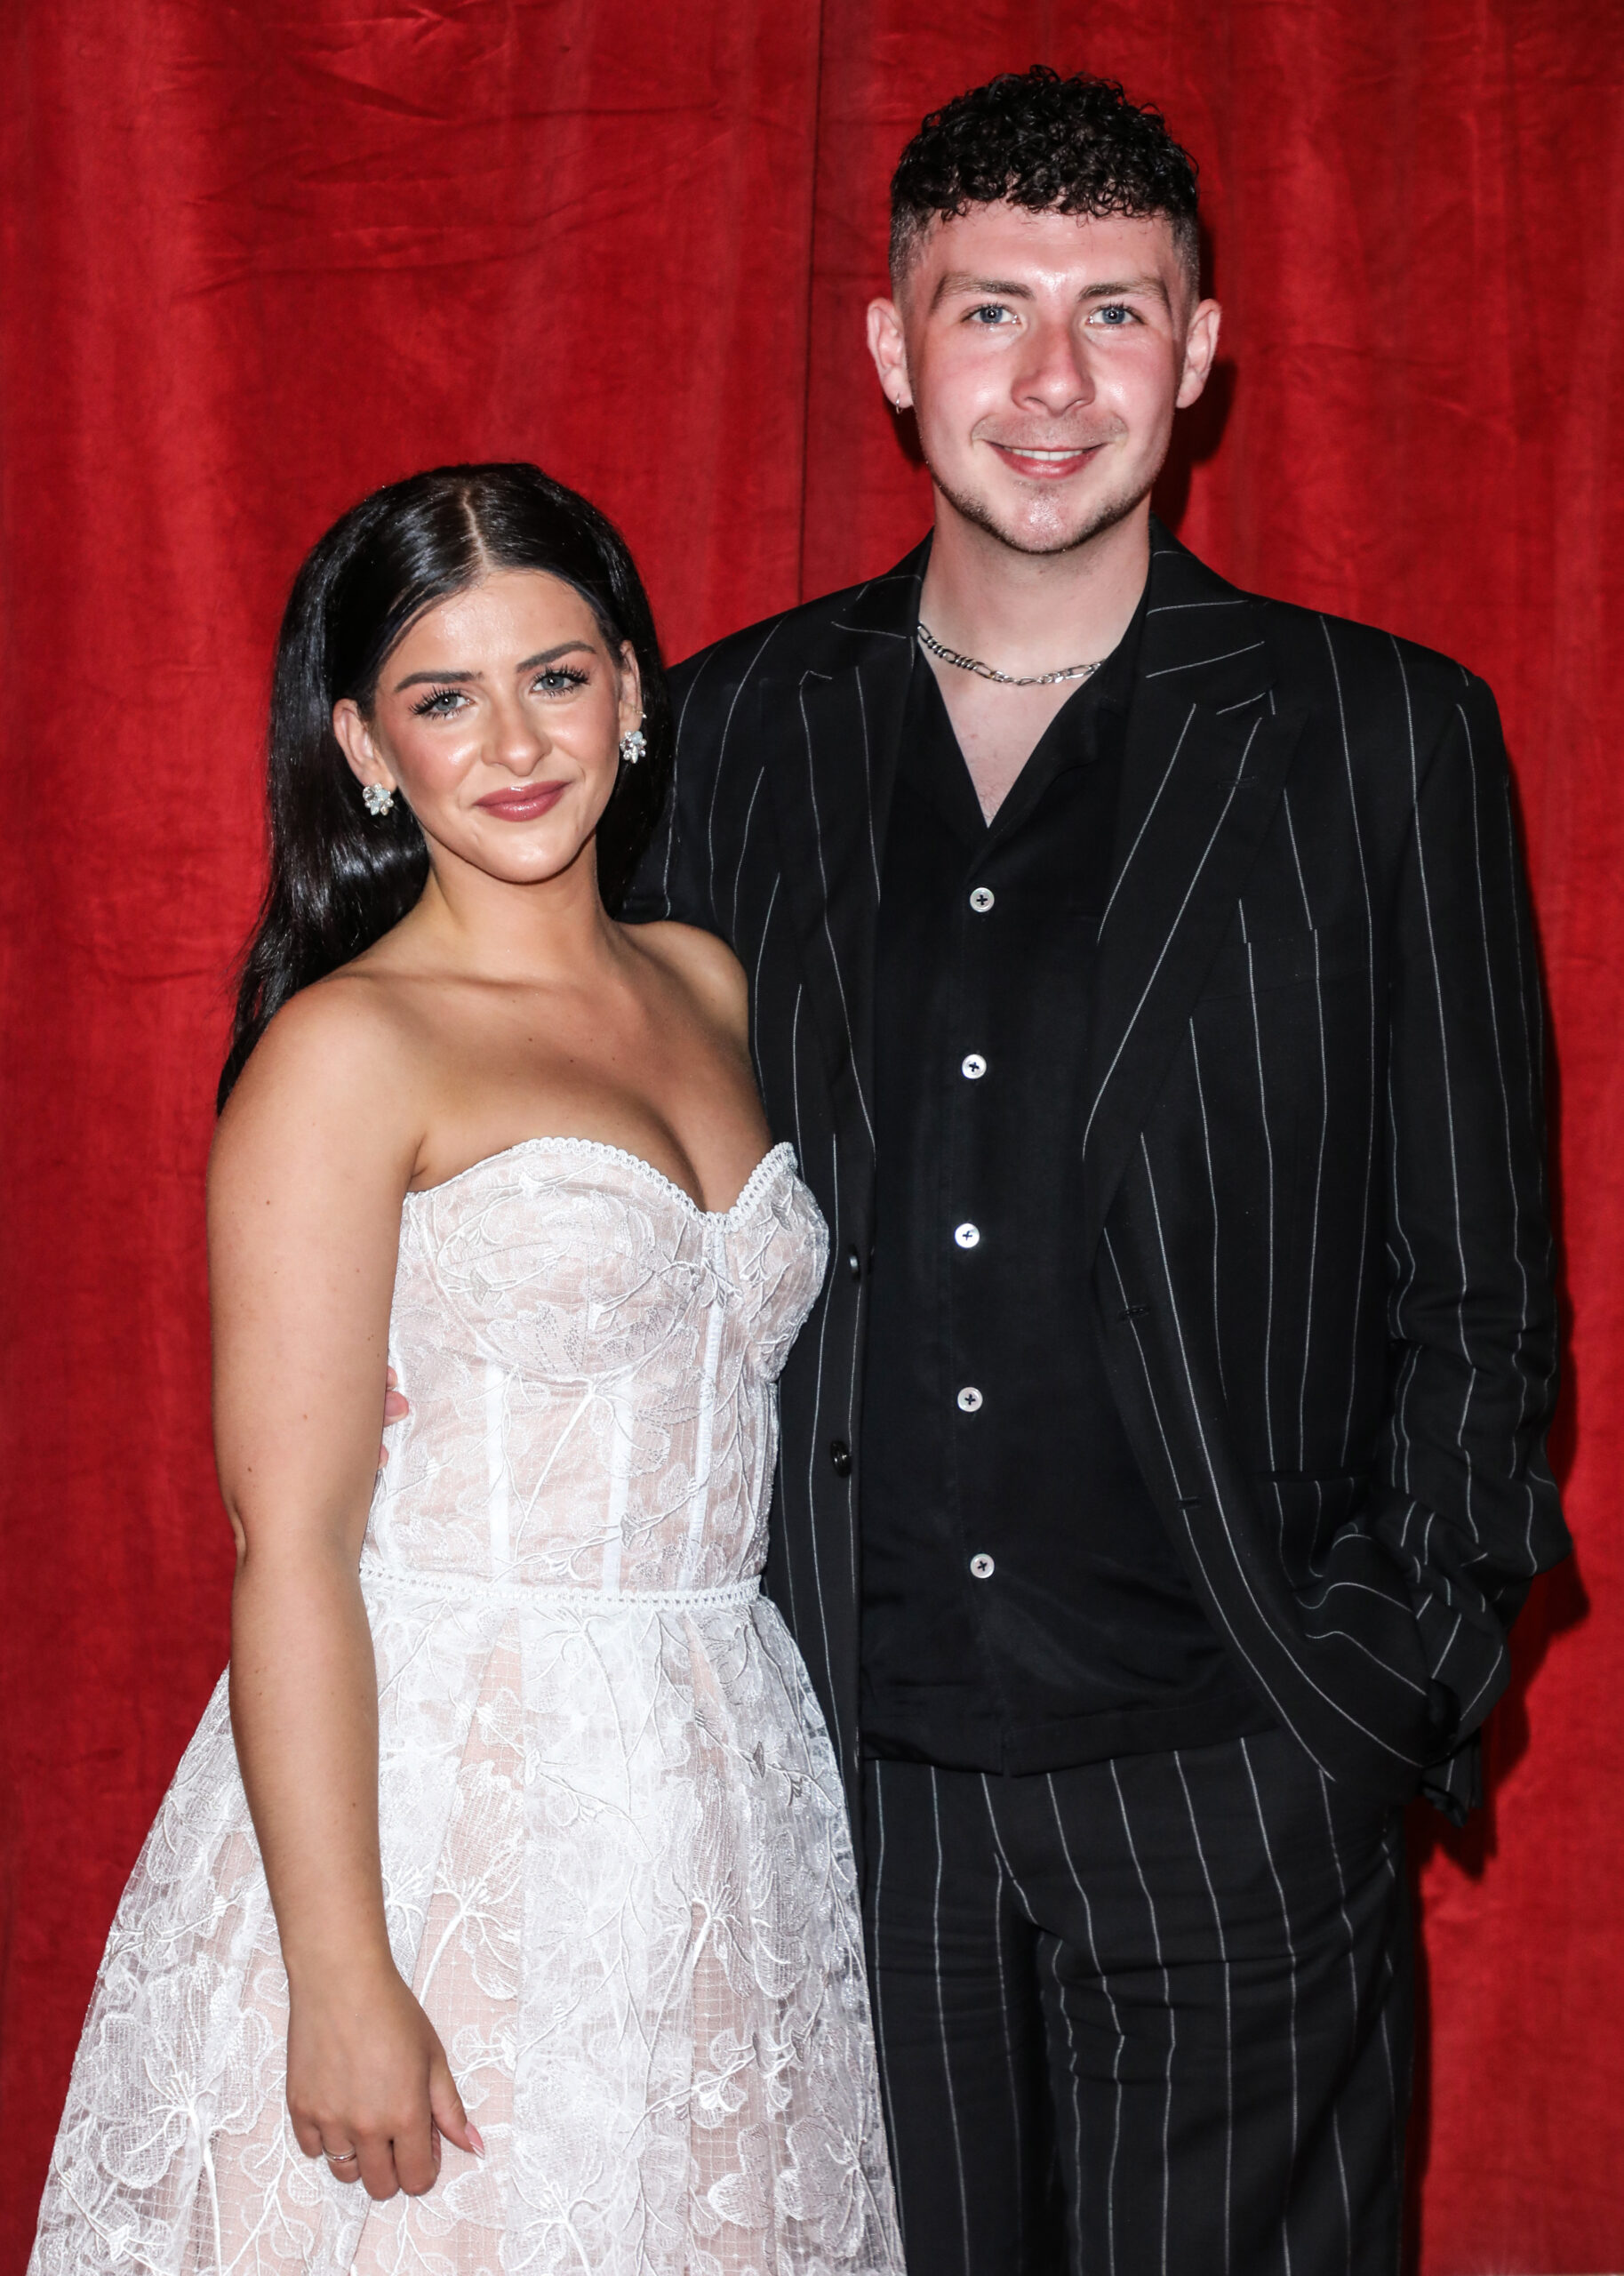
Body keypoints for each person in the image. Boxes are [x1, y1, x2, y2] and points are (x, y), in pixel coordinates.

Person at [619, 67, 1569, 2276]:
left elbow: (1483, 1296)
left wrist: (1362, 1703)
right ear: (888, 347)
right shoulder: (733, 730)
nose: (1051, 384)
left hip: (1236, 1773)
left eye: (1115, 314)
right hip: (840, 1795)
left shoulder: (1378, 736)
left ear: (1200, 351)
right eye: (988, 312)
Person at [30, 464, 903, 2275]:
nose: (513, 741)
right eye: (443, 696)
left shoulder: (704, 986)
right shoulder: (351, 1047)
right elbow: (289, 1540)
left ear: (635, 690)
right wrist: (340, 1965)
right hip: (447, 1780)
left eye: (556, 676)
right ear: (363, 742)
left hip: (717, 1765)